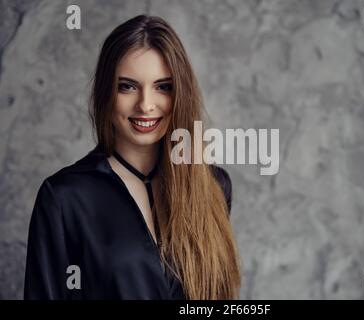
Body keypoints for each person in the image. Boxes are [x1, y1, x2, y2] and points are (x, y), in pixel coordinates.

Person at [24, 15, 241, 300]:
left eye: (163, 87)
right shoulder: (64, 198)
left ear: (181, 94)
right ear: (106, 93)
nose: (146, 105)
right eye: (127, 86)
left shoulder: (213, 184)